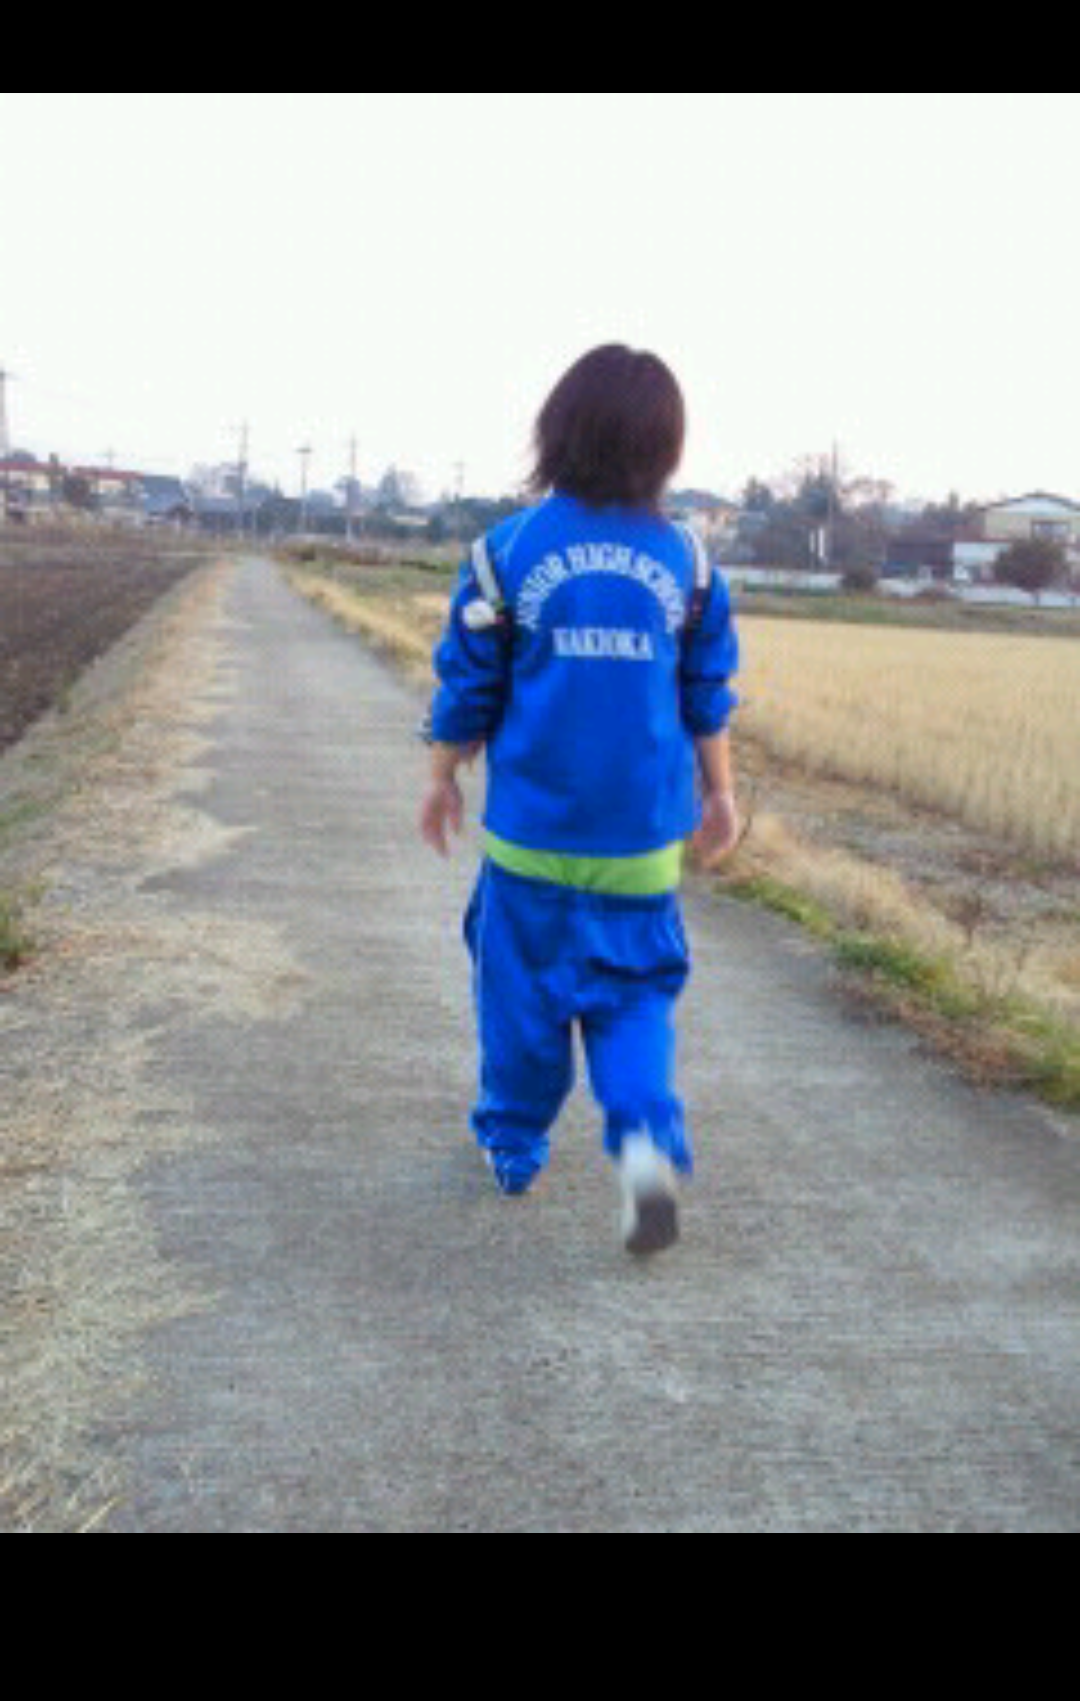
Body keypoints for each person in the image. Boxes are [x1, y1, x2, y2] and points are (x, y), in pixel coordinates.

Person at [420, 345, 741, 1256]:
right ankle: (643, 1142)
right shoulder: (689, 563)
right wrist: (720, 793)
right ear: (665, 445)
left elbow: (469, 687)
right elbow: (706, 693)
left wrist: (441, 777)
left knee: (519, 1008)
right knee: (635, 1005)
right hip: (640, 849)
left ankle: (514, 1146)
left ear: (555, 431)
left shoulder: (505, 551)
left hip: (530, 840)